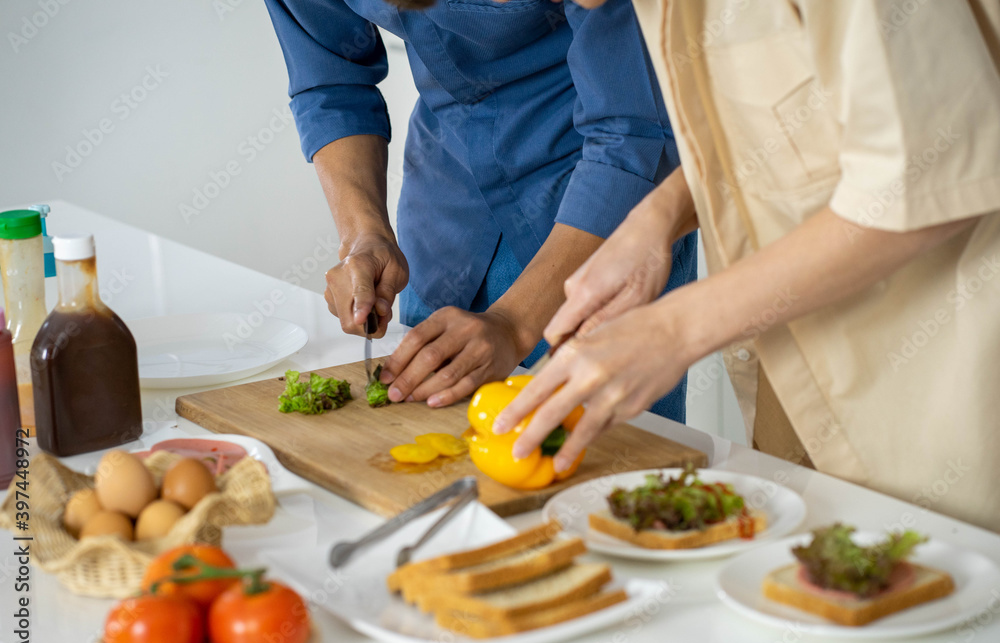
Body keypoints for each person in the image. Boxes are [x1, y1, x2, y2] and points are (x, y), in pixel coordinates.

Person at [497, 0, 1000, 533]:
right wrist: (659, 216)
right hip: (798, 378)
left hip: (940, 397)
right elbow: (780, 128)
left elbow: (921, 176)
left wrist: (674, 329)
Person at [262, 0, 696, 418]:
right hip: (444, 216)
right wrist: (363, 233)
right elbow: (334, 83)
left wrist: (514, 324)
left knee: (610, 468)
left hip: (603, 214)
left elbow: (634, 134)